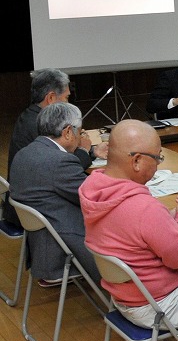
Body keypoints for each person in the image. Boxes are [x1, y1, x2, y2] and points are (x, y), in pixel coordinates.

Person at [80, 120, 178, 329]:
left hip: (125, 299)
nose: (158, 164)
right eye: (157, 157)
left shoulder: (93, 189)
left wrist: (171, 216)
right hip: (161, 305)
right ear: (136, 161)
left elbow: (132, 231)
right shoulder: (144, 208)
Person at [9, 103, 100, 287]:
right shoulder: (59, 162)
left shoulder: (25, 152)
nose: (81, 137)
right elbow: (94, 200)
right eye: (80, 132)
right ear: (68, 132)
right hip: (64, 249)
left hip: (42, 245)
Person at [3, 69, 105, 228]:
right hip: (45, 215)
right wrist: (84, 150)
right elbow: (61, 168)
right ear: (51, 98)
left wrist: (91, 151)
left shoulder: (29, 116)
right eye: (66, 98)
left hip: (26, 205)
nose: (68, 104)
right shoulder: (40, 125)